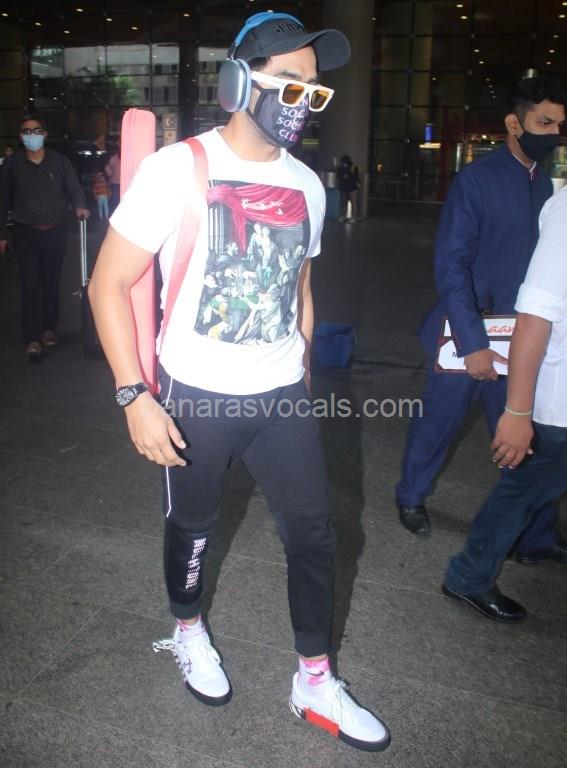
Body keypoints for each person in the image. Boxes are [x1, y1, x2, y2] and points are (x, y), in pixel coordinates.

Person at [88, 12, 390, 753]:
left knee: (315, 535)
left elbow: (300, 289)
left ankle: (314, 678)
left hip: (281, 394)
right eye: (287, 82)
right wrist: (134, 395)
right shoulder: (176, 168)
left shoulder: (307, 184)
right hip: (194, 395)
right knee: (192, 531)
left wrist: (301, 377)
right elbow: (107, 283)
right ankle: (187, 628)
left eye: (313, 90)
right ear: (236, 82)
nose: (301, 101)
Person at [395, 76, 567, 566]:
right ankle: (411, 497)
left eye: (559, 125)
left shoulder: (547, 185)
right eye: (544, 123)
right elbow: (451, 265)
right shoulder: (477, 179)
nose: (554, 134)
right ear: (514, 123)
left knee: (522, 437)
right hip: (467, 331)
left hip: (522, 338)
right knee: (439, 423)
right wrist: (472, 341)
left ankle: (534, 532)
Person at [442, 184, 567, 621]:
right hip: (559, 403)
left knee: (534, 488)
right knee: (522, 489)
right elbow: (534, 316)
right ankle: (469, 576)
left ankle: (525, 547)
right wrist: (517, 412)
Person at [0, 116, 90, 361]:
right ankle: (32, 338)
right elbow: (3, 199)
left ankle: (49, 328)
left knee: (51, 281)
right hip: (25, 232)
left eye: (36, 130)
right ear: (21, 137)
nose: (32, 135)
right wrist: (2, 234)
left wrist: (80, 205)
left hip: (55, 231)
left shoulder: (59, 161)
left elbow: (73, 187)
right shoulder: (12, 164)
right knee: (30, 284)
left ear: (45, 134)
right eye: (27, 131)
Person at [337, 154, 359, 223]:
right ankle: (347, 217)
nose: (344, 164)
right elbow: (339, 176)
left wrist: (347, 176)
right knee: (348, 203)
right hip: (348, 187)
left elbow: (355, 176)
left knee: (350, 203)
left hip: (350, 187)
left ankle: (351, 217)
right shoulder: (342, 167)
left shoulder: (352, 167)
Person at [104, 147, 120, 215]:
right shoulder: (114, 158)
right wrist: (111, 175)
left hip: (125, 183)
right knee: (115, 201)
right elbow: (107, 168)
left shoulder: (127, 157)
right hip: (115, 183)